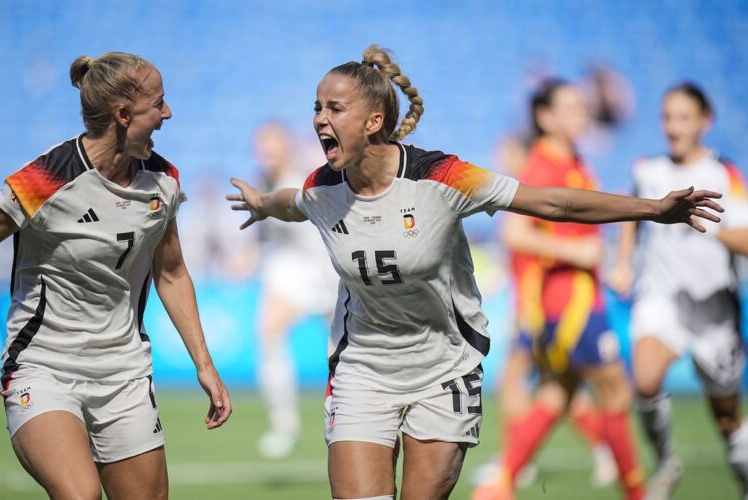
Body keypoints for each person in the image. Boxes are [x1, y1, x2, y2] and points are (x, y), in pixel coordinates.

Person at [226, 45, 722, 500]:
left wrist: (653, 209)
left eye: (334, 109)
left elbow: (550, 201)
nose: (318, 120)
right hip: (362, 373)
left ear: (375, 120)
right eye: (317, 107)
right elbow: (290, 202)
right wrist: (261, 203)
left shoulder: (443, 177)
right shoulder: (322, 187)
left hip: (444, 371)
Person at [0, 51, 232, 499]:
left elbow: (172, 274)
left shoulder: (164, 182)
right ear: (122, 114)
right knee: (80, 494)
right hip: (43, 368)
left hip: (124, 375)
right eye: (158, 103)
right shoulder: (46, 178)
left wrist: (205, 366)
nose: (167, 113)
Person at [474, 80, 623, 492]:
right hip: (544, 299)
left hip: (549, 304)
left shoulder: (541, 175)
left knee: (551, 387)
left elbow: (517, 236)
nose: (499, 158)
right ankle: (598, 454)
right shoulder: (557, 169)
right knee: (564, 391)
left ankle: (512, 468)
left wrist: (583, 256)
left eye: (505, 152)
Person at [608, 82, 748, 499]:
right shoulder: (647, 170)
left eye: (683, 117)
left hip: (712, 310)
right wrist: (621, 264)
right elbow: (632, 215)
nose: (673, 127)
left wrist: (718, 232)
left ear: (706, 121)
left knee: (726, 420)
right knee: (646, 381)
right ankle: (667, 461)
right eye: (668, 117)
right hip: (660, 298)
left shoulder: (724, 174)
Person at [252, 122, 336, 459]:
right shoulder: (262, 181)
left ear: (287, 146)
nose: (267, 154)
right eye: (262, 147)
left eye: (273, 145)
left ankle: (345, 413)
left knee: (340, 351)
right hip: (289, 270)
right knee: (269, 332)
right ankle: (284, 423)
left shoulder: (305, 176)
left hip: (326, 269)